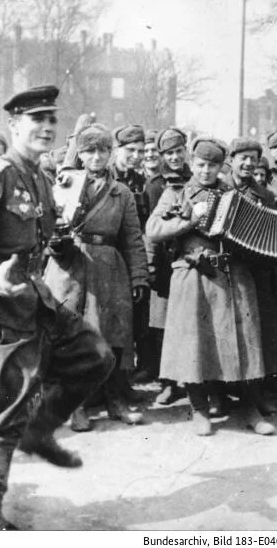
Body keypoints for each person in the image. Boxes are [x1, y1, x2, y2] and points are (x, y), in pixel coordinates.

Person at [0, 85, 114, 530]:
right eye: (36, 119)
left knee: (95, 355)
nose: (46, 127)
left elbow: (38, 240)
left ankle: (41, 430)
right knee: (4, 419)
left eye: (51, 120)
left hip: (34, 298)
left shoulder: (39, 175)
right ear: (14, 125)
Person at [146, 136, 275, 436]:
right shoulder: (175, 193)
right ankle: (199, 408)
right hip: (192, 275)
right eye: (201, 165)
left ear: (221, 166)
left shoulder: (231, 193)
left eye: (213, 165)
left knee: (243, 343)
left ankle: (249, 407)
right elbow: (153, 230)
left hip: (231, 274)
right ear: (192, 163)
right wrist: (190, 220)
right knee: (194, 345)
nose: (206, 171)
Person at [44, 124, 150, 430]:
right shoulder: (65, 184)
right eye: (90, 150)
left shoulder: (122, 192)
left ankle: (115, 400)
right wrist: (55, 242)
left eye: (103, 150)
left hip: (109, 268)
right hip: (70, 266)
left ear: (110, 153)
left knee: (114, 336)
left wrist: (139, 276)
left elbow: (132, 237)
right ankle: (75, 407)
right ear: (79, 153)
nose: (97, 157)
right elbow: (50, 227)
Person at [224, 137, 277, 414]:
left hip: (258, 271)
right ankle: (221, 393)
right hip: (225, 271)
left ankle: (256, 394)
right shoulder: (219, 188)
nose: (249, 163)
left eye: (253, 158)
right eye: (243, 157)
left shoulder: (266, 195)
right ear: (232, 160)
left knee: (258, 335)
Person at [142, 127, 191, 403]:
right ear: (162, 156)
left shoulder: (197, 180)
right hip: (163, 262)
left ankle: (192, 379)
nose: (174, 157)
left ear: (186, 151)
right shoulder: (155, 185)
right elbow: (150, 230)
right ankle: (169, 383)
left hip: (189, 260)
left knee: (190, 322)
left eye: (178, 151)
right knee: (162, 326)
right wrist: (149, 267)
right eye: (169, 153)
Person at [110, 124, 150, 399]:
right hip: (105, 256)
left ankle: (122, 383)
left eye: (139, 151)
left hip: (128, 256)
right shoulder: (107, 177)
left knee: (127, 323)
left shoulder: (140, 182)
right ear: (116, 150)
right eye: (130, 150)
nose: (135, 156)